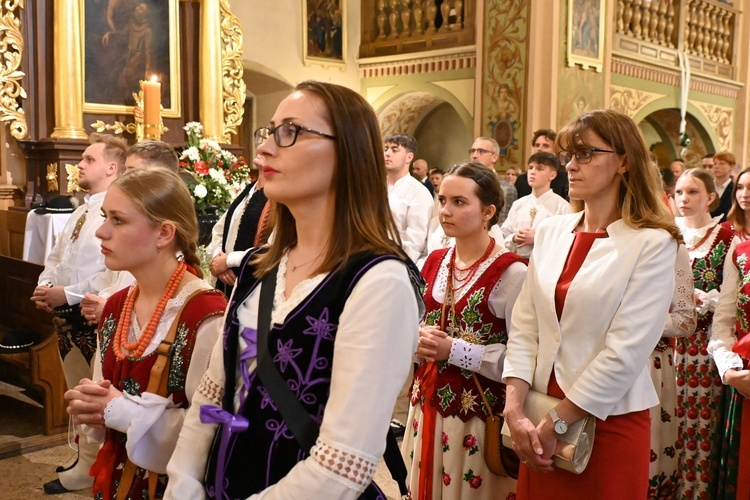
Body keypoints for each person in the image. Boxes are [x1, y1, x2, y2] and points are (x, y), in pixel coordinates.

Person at [164, 81, 422, 499]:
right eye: (269, 132)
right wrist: (184, 479)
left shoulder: (379, 282)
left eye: (290, 131)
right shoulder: (259, 265)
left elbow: (343, 464)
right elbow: (216, 390)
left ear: (347, 153)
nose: (264, 149)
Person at [502, 109, 681, 499]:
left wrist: (556, 424)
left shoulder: (652, 242)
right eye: (570, 155)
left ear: (624, 161)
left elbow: (626, 352)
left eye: (585, 154)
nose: (570, 165)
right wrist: (514, 410)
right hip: (536, 409)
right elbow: (525, 326)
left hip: (605, 418)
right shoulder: (550, 231)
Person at [64, 168, 227, 499]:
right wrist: (92, 408)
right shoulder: (116, 306)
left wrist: (120, 412)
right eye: (104, 217)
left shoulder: (206, 316)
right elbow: (104, 401)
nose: (101, 232)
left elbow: (212, 430)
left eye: (118, 220)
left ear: (164, 233)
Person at [402, 162, 527, 499]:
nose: (446, 210)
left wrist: (454, 351)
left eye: (459, 202)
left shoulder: (512, 272)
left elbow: (524, 356)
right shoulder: (435, 261)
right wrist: (416, 340)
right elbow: (412, 323)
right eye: (442, 200)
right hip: (426, 405)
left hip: (477, 416)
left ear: (488, 211)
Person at [30, 133, 127, 495]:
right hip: (66, 312)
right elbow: (58, 257)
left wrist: (66, 294)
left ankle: (96, 463)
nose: (80, 165)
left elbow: (108, 267)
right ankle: (85, 459)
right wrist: (45, 285)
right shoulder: (80, 211)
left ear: (111, 167)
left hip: (90, 310)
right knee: (77, 388)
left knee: (92, 390)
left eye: (88, 159)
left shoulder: (112, 211)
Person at [673, 168, 734, 498]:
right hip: (668, 348)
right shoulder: (667, 235)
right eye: (679, 192)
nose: (684, 198)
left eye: (693, 192)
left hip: (704, 352)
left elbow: (732, 299)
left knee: (700, 429)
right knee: (669, 428)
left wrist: (706, 299)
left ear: (710, 197)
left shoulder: (727, 237)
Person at [708, 167, 750, 499]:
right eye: (741, 187)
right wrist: (729, 370)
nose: (746, 194)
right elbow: (723, 320)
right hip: (744, 375)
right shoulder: (739, 251)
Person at [646, 245, 696, 498]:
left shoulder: (668, 246)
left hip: (648, 365)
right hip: (589, 361)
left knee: (645, 458)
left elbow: (686, 320)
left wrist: (634, 319)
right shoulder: (578, 235)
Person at [207, 154, 272, 298]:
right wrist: (219, 258)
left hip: (256, 290)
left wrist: (229, 260)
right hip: (228, 287)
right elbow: (220, 230)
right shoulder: (248, 191)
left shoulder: (280, 199)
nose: (262, 146)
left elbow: (276, 249)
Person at [501, 152, 570, 259]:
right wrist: (514, 238)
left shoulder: (562, 206)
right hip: (516, 262)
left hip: (545, 265)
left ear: (552, 175)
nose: (533, 172)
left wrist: (537, 239)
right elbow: (503, 235)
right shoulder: (518, 204)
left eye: (540, 169)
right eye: (531, 167)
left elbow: (566, 241)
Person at [385, 133, 435, 263]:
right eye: (386, 149)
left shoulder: (419, 193)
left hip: (397, 262)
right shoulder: (374, 187)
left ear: (409, 157)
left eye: (394, 149)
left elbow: (415, 243)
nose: (388, 153)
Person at [469, 137, 517, 223]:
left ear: (494, 157)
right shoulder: (465, 183)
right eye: (472, 151)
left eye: (481, 151)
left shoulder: (506, 188)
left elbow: (503, 225)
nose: (474, 156)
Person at [710, 151, 736, 222]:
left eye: (722, 163)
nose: (716, 166)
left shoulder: (735, 189)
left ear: (731, 166)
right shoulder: (707, 187)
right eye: (715, 163)